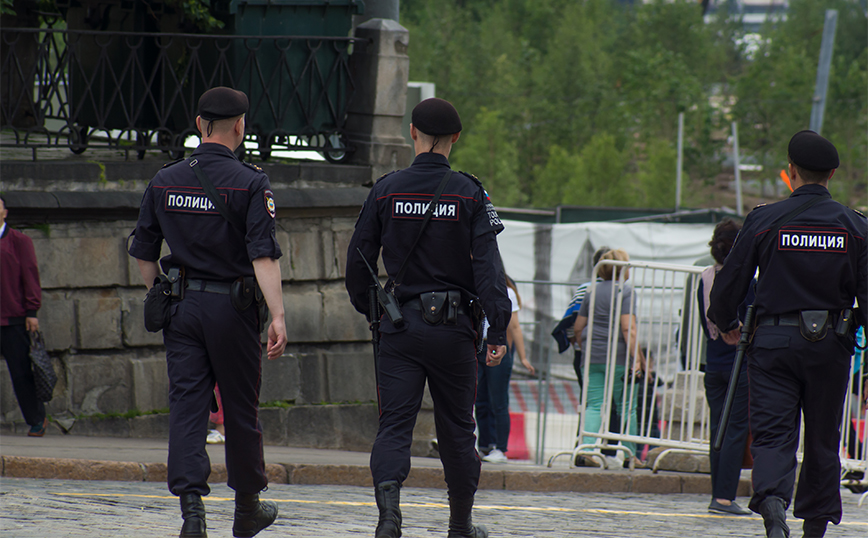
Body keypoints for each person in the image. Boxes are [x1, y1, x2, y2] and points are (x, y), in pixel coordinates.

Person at [345, 97, 511, 538]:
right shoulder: (470, 193)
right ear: (456, 137)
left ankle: (388, 518)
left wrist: (373, 310)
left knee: (394, 424)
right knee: (458, 429)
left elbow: (358, 260)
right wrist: (498, 325)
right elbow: (489, 268)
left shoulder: (386, 188)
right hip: (455, 331)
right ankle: (460, 525)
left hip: (399, 326)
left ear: (412, 133)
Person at [128, 87, 287, 538]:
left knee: (187, 408)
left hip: (182, 308)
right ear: (240, 126)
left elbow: (142, 252)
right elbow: (263, 256)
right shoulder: (252, 182)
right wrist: (277, 315)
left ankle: (192, 513)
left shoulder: (165, 179)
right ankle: (246, 510)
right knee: (240, 409)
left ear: (199, 125)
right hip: (233, 309)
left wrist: (160, 289)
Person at [708, 130, 867, 538]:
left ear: (791, 171)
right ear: (831, 174)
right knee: (821, 437)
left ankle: (774, 504)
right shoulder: (855, 226)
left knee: (773, 432)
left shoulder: (765, 219)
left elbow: (732, 282)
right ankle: (814, 526)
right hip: (832, 344)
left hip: (773, 343)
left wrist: (726, 322)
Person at [698, 219, 755, 516]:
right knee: (735, 430)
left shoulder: (704, 277)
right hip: (738, 363)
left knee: (716, 429)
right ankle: (724, 497)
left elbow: (703, 321)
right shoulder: (746, 281)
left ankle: (716, 493)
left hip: (713, 361)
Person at [572, 249, 646, 468]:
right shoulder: (626, 291)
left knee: (594, 405)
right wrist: (638, 359)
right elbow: (628, 328)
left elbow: (578, 327)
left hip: (592, 356)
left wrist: (585, 346)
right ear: (622, 269)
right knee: (626, 407)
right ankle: (629, 456)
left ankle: (586, 450)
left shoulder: (591, 291)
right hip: (619, 357)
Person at [0, 195, 48, 437]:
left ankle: (37, 419)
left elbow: (30, 275)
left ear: (4, 212)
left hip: (13, 318)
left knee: (21, 373)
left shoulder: (19, 241)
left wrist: (32, 311)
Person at [477, 274, 534, 464]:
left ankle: (500, 448)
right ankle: (485, 445)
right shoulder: (476, 288)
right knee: (480, 400)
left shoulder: (506, 292)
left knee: (498, 401)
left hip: (496, 348)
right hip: (478, 347)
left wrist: (523, 357)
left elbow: (515, 327)